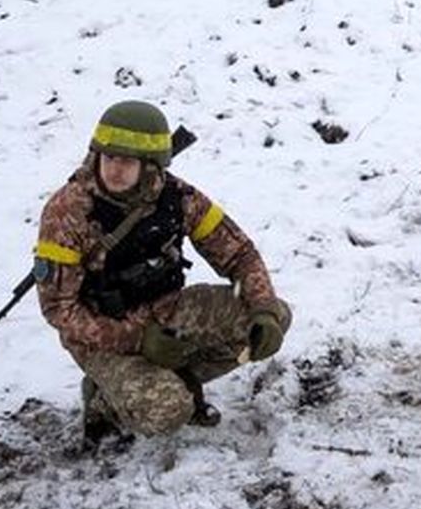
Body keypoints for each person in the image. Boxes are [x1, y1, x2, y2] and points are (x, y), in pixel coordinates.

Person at [34, 100, 291, 445]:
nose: (114, 170)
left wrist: (262, 310)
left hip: (168, 311)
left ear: (151, 166)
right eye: (108, 158)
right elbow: (60, 310)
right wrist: (138, 340)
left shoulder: (179, 197)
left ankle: (178, 376)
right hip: (101, 335)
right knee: (167, 410)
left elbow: (239, 254)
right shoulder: (67, 212)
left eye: (126, 161)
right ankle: (103, 401)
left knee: (273, 318)